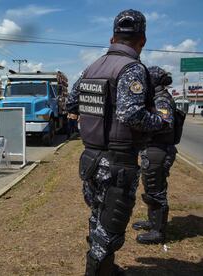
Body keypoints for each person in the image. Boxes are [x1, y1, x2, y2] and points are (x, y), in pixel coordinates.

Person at [66, 9, 170, 275]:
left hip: (90, 158)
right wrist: (160, 120)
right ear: (142, 40)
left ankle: (106, 268)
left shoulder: (92, 66)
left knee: (98, 216)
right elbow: (131, 114)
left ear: (113, 37)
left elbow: (71, 102)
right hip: (117, 162)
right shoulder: (132, 68)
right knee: (111, 225)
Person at [132, 66, 178, 244]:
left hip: (159, 149)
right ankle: (152, 222)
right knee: (151, 188)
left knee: (156, 190)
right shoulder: (155, 97)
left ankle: (158, 231)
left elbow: (165, 123)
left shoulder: (161, 99)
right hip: (153, 149)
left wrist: (140, 122)